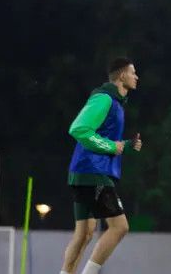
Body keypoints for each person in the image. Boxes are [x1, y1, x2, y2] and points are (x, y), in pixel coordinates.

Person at [59, 57, 142, 274]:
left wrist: (126, 145)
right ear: (122, 75)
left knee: (85, 232)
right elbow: (79, 129)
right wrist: (111, 147)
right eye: (133, 72)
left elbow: (106, 140)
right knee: (120, 227)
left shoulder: (115, 103)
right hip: (93, 173)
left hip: (83, 172)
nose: (136, 77)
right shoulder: (104, 98)